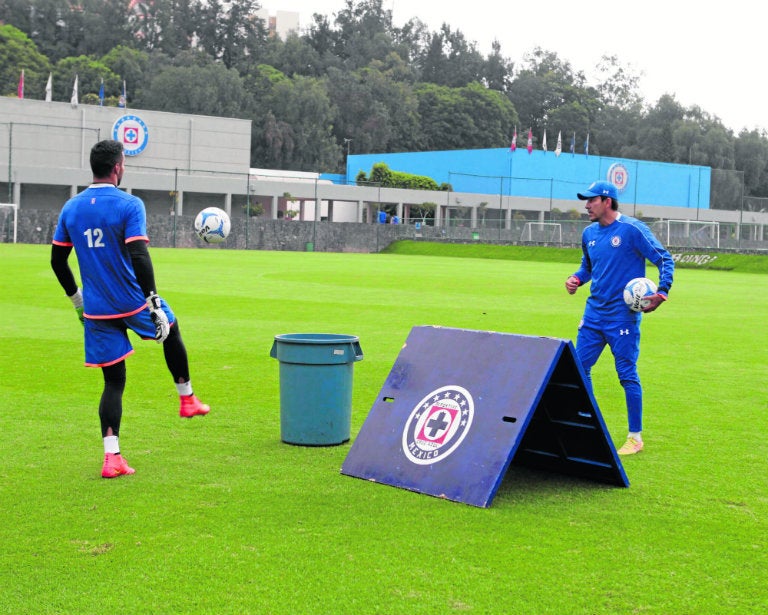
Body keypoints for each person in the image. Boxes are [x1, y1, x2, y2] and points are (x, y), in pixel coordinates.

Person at [51, 139, 210, 479]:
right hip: (132, 301)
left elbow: (57, 261)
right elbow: (139, 254)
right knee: (171, 328)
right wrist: (153, 302)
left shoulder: (71, 208)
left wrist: (78, 302)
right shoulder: (130, 204)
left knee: (113, 382)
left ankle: (112, 458)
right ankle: (187, 399)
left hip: (96, 310)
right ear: (117, 167)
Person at [565, 180, 674, 456]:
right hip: (593, 315)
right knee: (579, 369)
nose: (587, 205)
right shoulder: (589, 233)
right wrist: (576, 278)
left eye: (592, 200)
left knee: (626, 374)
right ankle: (588, 423)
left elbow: (664, 259)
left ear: (607, 201)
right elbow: (588, 267)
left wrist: (662, 292)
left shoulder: (632, 230)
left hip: (622, 318)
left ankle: (635, 437)